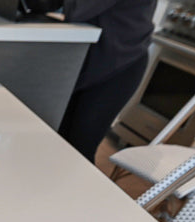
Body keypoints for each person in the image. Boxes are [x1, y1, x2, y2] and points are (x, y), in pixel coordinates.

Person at [25, 0, 156, 162]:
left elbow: (76, 10)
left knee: (80, 149)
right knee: (62, 143)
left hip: (117, 65)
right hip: (89, 58)